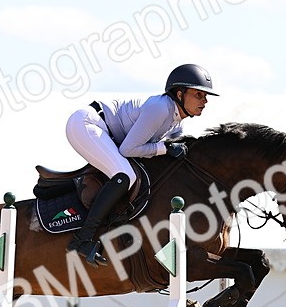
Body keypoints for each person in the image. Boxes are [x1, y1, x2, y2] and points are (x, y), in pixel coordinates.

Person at [64, 63, 217, 266]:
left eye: (205, 96)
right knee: (125, 175)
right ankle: (82, 239)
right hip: (87, 124)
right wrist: (165, 149)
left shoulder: (176, 120)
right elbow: (128, 150)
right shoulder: (161, 108)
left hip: (103, 131)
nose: (205, 101)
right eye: (199, 95)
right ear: (180, 94)